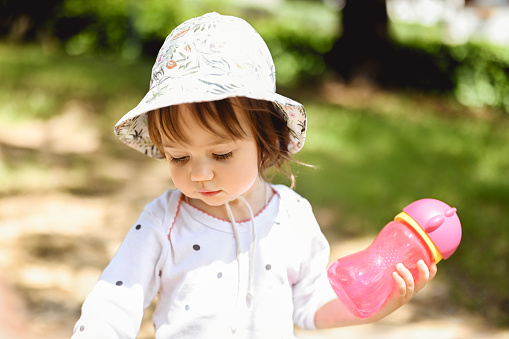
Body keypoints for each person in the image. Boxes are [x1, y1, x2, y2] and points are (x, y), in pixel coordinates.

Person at [71, 12, 436, 338]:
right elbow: (115, 300)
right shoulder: (164, 221)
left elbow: (310, 306)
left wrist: (373, 306)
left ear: (267, 140)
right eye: (179, 157)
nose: (199, 173)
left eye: (222, 153)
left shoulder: (291, 218)